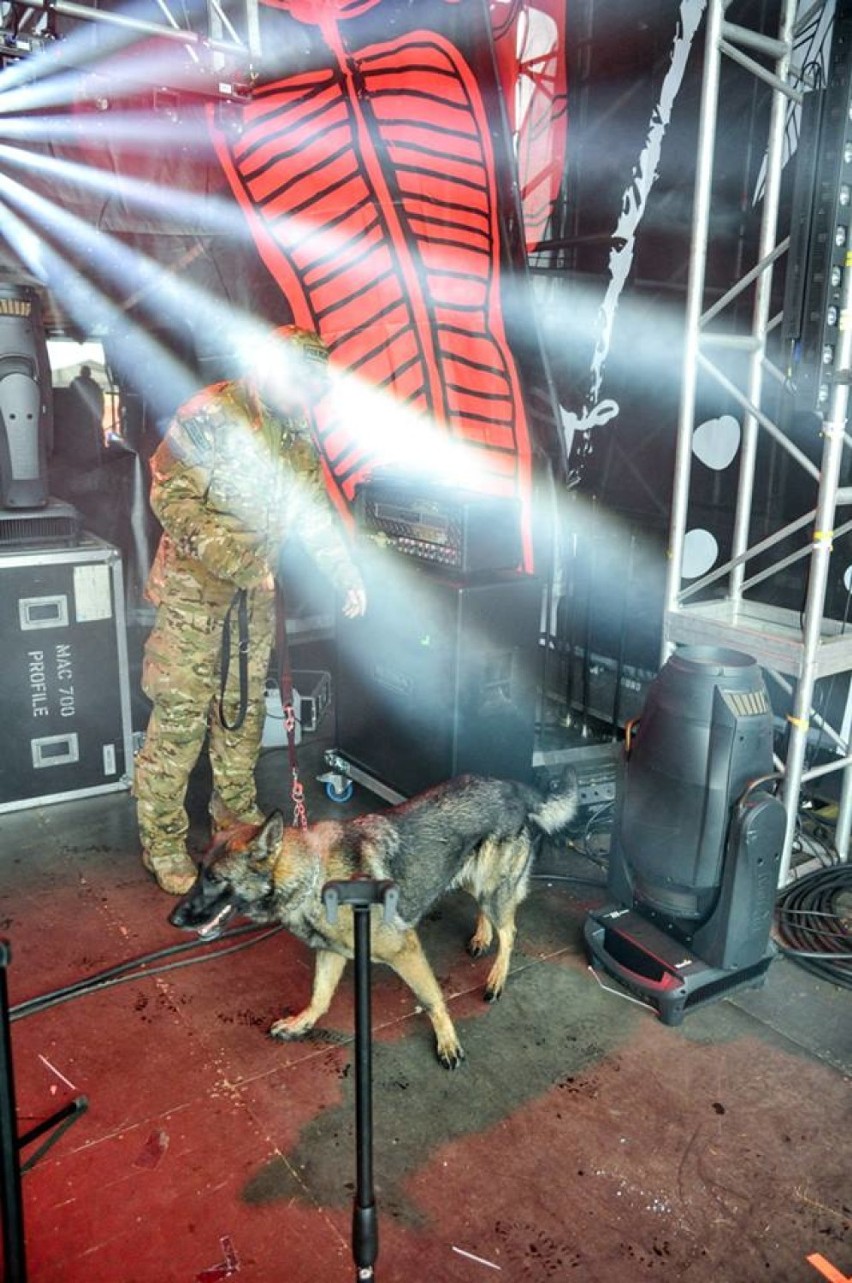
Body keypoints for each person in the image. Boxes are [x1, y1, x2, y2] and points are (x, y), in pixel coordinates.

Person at [133, 325, 366, 894]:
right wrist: (239, 562)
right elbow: (170, 496)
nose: (303, 396)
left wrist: (346, 574)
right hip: (194, 599)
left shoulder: (294, 431)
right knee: (180, 725)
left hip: (251, 602)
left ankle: (233, 828)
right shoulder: (211, 415)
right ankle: (163, 844)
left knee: (240, 720)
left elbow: (313, 514)